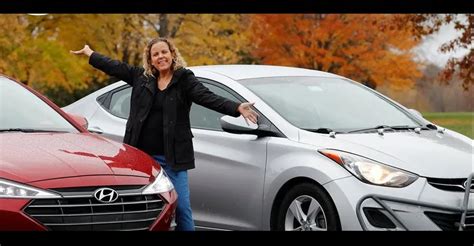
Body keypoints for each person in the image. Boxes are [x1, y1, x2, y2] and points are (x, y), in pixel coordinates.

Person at [70, 37, 258, 231]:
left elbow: (207, 97)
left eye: (164, 52)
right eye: (156, 54)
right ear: (150, 60)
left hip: (173, 157)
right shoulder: (141, 78)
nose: (160, 57)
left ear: (172, 54)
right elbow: (114, 66)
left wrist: (236, 107)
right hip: (141, 160)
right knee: (141, 209)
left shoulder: (184, 79)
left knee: (182, 208)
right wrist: (90, 54)